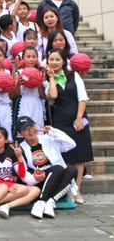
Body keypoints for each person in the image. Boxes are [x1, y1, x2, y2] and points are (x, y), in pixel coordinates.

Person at [44, 49, 93, 204]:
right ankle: (68, 189)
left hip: (78, 118)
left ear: (64, 61)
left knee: (79, 156)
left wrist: (79, 118)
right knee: (66, 156)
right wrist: (51, 77)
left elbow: (82, 98)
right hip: (60, 120)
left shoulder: (74, 75)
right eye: (51, 59)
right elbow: (53, 95)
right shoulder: (46, 80)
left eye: (57, 59)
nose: (54, 62)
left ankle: (77, 190)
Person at [17, 116, 78, 219]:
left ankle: (50, 202)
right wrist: (34, 178)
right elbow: (24, 174)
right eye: (25, 129)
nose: (30, 130)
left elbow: (71, 144)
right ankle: (41, 202)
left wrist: (53, 132)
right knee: (58, 168)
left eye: (31, 126)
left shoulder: (48, 139)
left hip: (58, 183)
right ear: (20, 133)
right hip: (40, 183)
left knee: (71, 170)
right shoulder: (20, 149)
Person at [0, 127, 41, 218]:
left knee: (36, 190)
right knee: (23, 189)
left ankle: (4, 206)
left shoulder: (11, 152)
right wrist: (6, 187)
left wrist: (19, 157)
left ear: (6, 140)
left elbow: (21, 174)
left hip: (11, 186)